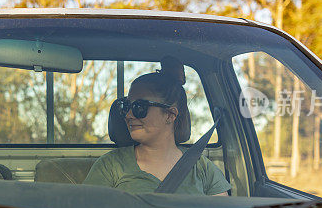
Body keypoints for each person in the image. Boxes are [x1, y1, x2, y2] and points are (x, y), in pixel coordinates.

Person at [84, 57, 230, 195]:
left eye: (139, 107)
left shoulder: (202, 167)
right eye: (126, 106)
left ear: (170, 115)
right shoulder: (111, 166)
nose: (128, 115)